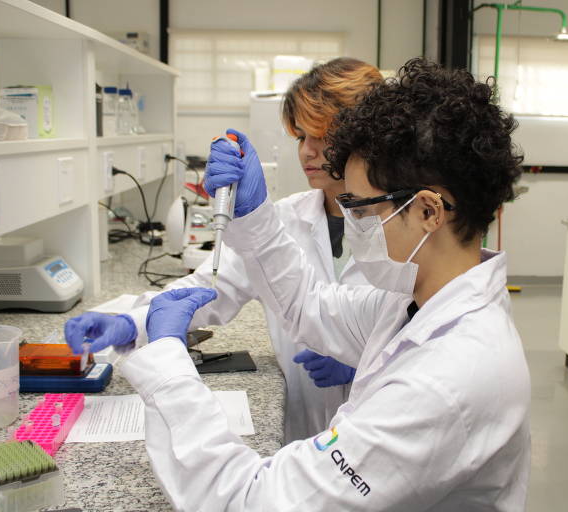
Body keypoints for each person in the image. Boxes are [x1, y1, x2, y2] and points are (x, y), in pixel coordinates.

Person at [117, 58, 530, 511]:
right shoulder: (417, 303)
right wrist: (255, 218)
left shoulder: (445, 382)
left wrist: (167, 367)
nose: (351, 221)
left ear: (428, 212)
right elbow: (310, 305)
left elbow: (250, 500)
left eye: (360, 207)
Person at [64, 57, 383, 443]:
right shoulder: (283, 219)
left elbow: (428, 329)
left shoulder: (403, 226)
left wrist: (366, 361)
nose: (307, 152)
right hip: (303, 433)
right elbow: (213, 287)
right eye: (301, 136)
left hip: (381, 433)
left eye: (323, 135)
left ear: (366, 136)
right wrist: (129, 322)